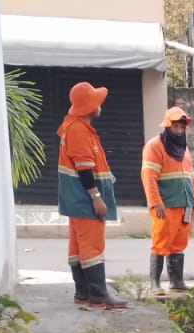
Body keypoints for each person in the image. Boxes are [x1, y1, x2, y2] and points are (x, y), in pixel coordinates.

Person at [57, 81, 126, 309]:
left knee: (78, 246)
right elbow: (84, 168)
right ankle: (98, 294)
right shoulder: (78, 130)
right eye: (97, 102)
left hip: (77, 199)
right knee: (92, 245)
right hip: (84, 199)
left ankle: (83, 292)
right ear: (89, 107)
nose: (100, 105)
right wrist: (96, 197)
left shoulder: (76, 127)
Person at [140, 106, 194, 294]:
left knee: (178, 243)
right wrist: (156, 202)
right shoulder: (154, 146)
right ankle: (155, 284)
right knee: (161, 242)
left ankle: (176, 281)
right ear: (168, 125)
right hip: (165, 205)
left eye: (183, 126)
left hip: (185, 204)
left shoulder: (184, 149)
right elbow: (149, 176)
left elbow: (192, 178)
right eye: (176, 126)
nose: (180, 129)